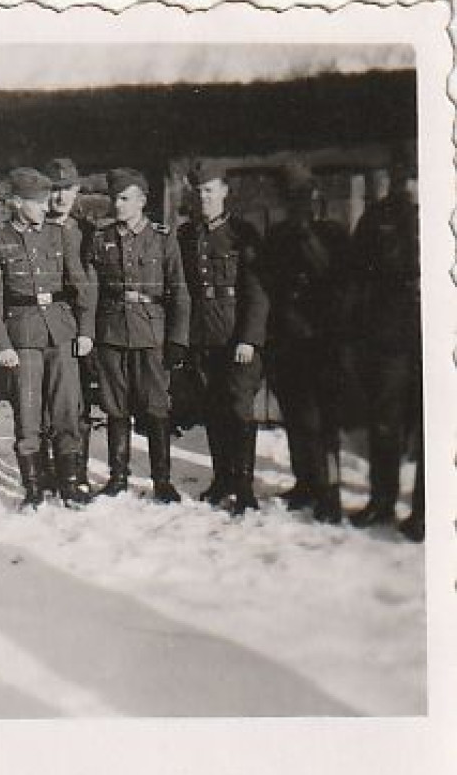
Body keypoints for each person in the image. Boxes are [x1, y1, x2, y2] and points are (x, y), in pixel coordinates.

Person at [0, 167, 95, 509]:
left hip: (61, 332)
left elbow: (81, 287)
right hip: (22, 335)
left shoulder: (61, 236)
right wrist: (1, 345)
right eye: (38, 201)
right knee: (28, 415)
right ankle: (34, 488)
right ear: (16, 203)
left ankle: (69, 485)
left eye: (47, 200)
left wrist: (85, 331)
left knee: (67, 410)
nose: (46, 206)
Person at [83, 168, 191, 503]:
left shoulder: (161, 237)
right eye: (115, 198)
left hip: (151, 331)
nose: (118, 204)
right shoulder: (100, 238)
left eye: (125, 198)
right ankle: (118, 477)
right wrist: (89, 335)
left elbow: (179, 291)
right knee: (116, 407)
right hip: (112, 332)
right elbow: (90, 293)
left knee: (156, 406)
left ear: (142, 201)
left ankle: (162, 479)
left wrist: (177, 339)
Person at [178, 158, 269, 515]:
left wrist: (249, 338)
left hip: (236, 340)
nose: (205, 199)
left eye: (211, 191)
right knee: (214, 411)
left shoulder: (243, 234)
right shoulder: (187, 236)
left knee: (239, 410)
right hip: (203, 338)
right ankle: (222, 480)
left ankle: (244, 487)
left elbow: (258, 291)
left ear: (225, 192)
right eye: (199, 192)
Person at [262, 164, 350, 524]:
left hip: (322, 342)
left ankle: (330, 492)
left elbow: (340, 282)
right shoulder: (278, 235)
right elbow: (268, 284)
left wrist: (307, 238)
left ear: (315, 198)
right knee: (296, 417)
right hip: (287, 342)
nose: (297, 204)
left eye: (303, 196)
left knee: (324, 422)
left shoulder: (332, 234)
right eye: (291, 198)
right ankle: (305, 483)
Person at [348, 149, 423, 538]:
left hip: (437, 336)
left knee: (434, 426)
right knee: (385, 423)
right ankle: (382, 500)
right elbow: (356, 277)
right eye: (402, 174)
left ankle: (426, 510)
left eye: (413, 175)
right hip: (388, 336)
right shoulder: (377, 218)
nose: (407, 183)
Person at [43, 156, 97, 496]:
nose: (60, 198)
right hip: (44, 326)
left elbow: (91, 286)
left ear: (77, 191)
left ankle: (76, 471)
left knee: (76, 404)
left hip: (80, 328)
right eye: (54, 190)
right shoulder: (35, 228)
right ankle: (48, 472)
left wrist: (87, 330)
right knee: (46, 404)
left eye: (67, 189)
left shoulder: (87, 232)